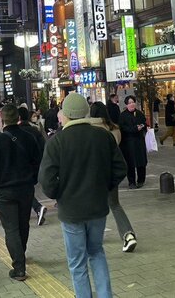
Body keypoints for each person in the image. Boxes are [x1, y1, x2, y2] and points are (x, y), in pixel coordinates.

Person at [39, 93, 127, 298]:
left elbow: (47, 180)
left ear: (66, 114)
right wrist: (104, 186)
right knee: (96, 252)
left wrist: (59, 194)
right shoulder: (103, 135)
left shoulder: (57, 141)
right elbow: (120, 168)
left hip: (71, 210)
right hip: (97, 206)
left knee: (77, 262)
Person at [0, 104, 43, 281]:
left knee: (11, 229)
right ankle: (21, 255)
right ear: (18, 117)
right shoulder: (29, 137)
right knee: (23, 224)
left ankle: (19, 267)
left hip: (4, 192)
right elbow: (37, 161)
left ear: (1, 119)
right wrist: (32, 180)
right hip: (25, 188)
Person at [89, 102, 137, 253]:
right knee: (115, 205)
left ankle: (94, 235)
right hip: (110, 172)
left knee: (93, 205)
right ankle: (128, 234)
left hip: (93, 173)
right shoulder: (114, 129)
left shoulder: (89, 130)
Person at [17, 105, 48, 226]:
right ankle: (36, 208)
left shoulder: (16, 131)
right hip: (35, 166)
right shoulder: (35, 130)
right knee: (26, 189)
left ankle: (37, 207)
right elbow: (43, 147)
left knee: (23, 190)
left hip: (20, 167)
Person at [118, 96, 148, 188]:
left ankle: (141, 180)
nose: (132, 104)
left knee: (141, 162)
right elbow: (122, 128)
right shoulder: (123, 115)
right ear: (126, 104)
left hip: (139, 141)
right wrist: (135, 129)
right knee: (130, 163)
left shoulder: (139, 113)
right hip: (128, 143)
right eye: (129, 103)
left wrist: (142, 126)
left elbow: (145, 123)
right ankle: (131, 182)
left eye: (133, 102)